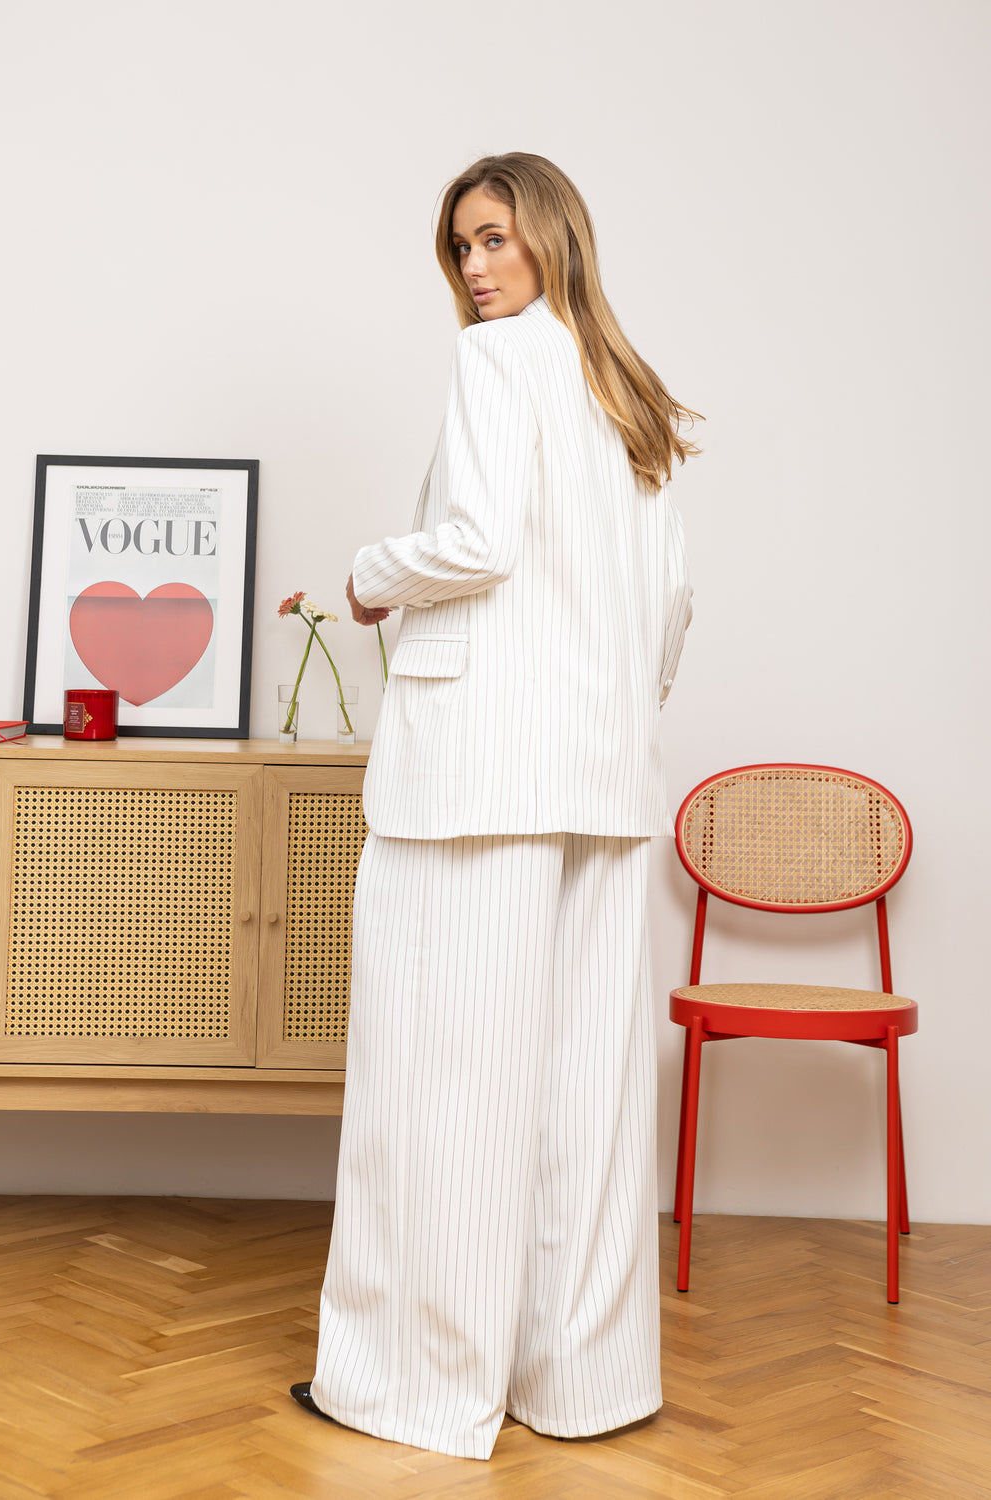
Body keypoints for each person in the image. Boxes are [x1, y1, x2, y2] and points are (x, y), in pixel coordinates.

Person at [291, 151, 697, 1462]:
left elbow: (474, 541)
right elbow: (671, 607)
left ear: (551, 239)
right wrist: (606, 713)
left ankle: (416, 1387)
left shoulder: (500, 358)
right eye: (460, 246)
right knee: (584, 1098)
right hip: (599, 780)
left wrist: (369, 576)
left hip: (474, 779)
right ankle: (581, 1382)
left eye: (495, 239)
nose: (475, 268)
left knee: (441, 1088)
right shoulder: (628, 392)